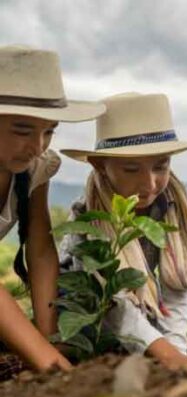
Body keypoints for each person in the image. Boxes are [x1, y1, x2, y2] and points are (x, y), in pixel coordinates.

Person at [59, 92, 187, 378]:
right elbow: (113, 303)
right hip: (84, 322)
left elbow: (176, 284)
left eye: (161, 166)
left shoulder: (171, 205)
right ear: (101, 166)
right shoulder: (89, 217)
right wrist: (166, 355)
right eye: (132, 168)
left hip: (137, 321)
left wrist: (177, 355)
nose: (150, 183)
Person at [0, 45, 105, 371]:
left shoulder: (36, 168)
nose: (37, 146)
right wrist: (51, 365)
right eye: (22, 130)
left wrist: (51, 335)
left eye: (48, 131)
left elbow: (41, 247)